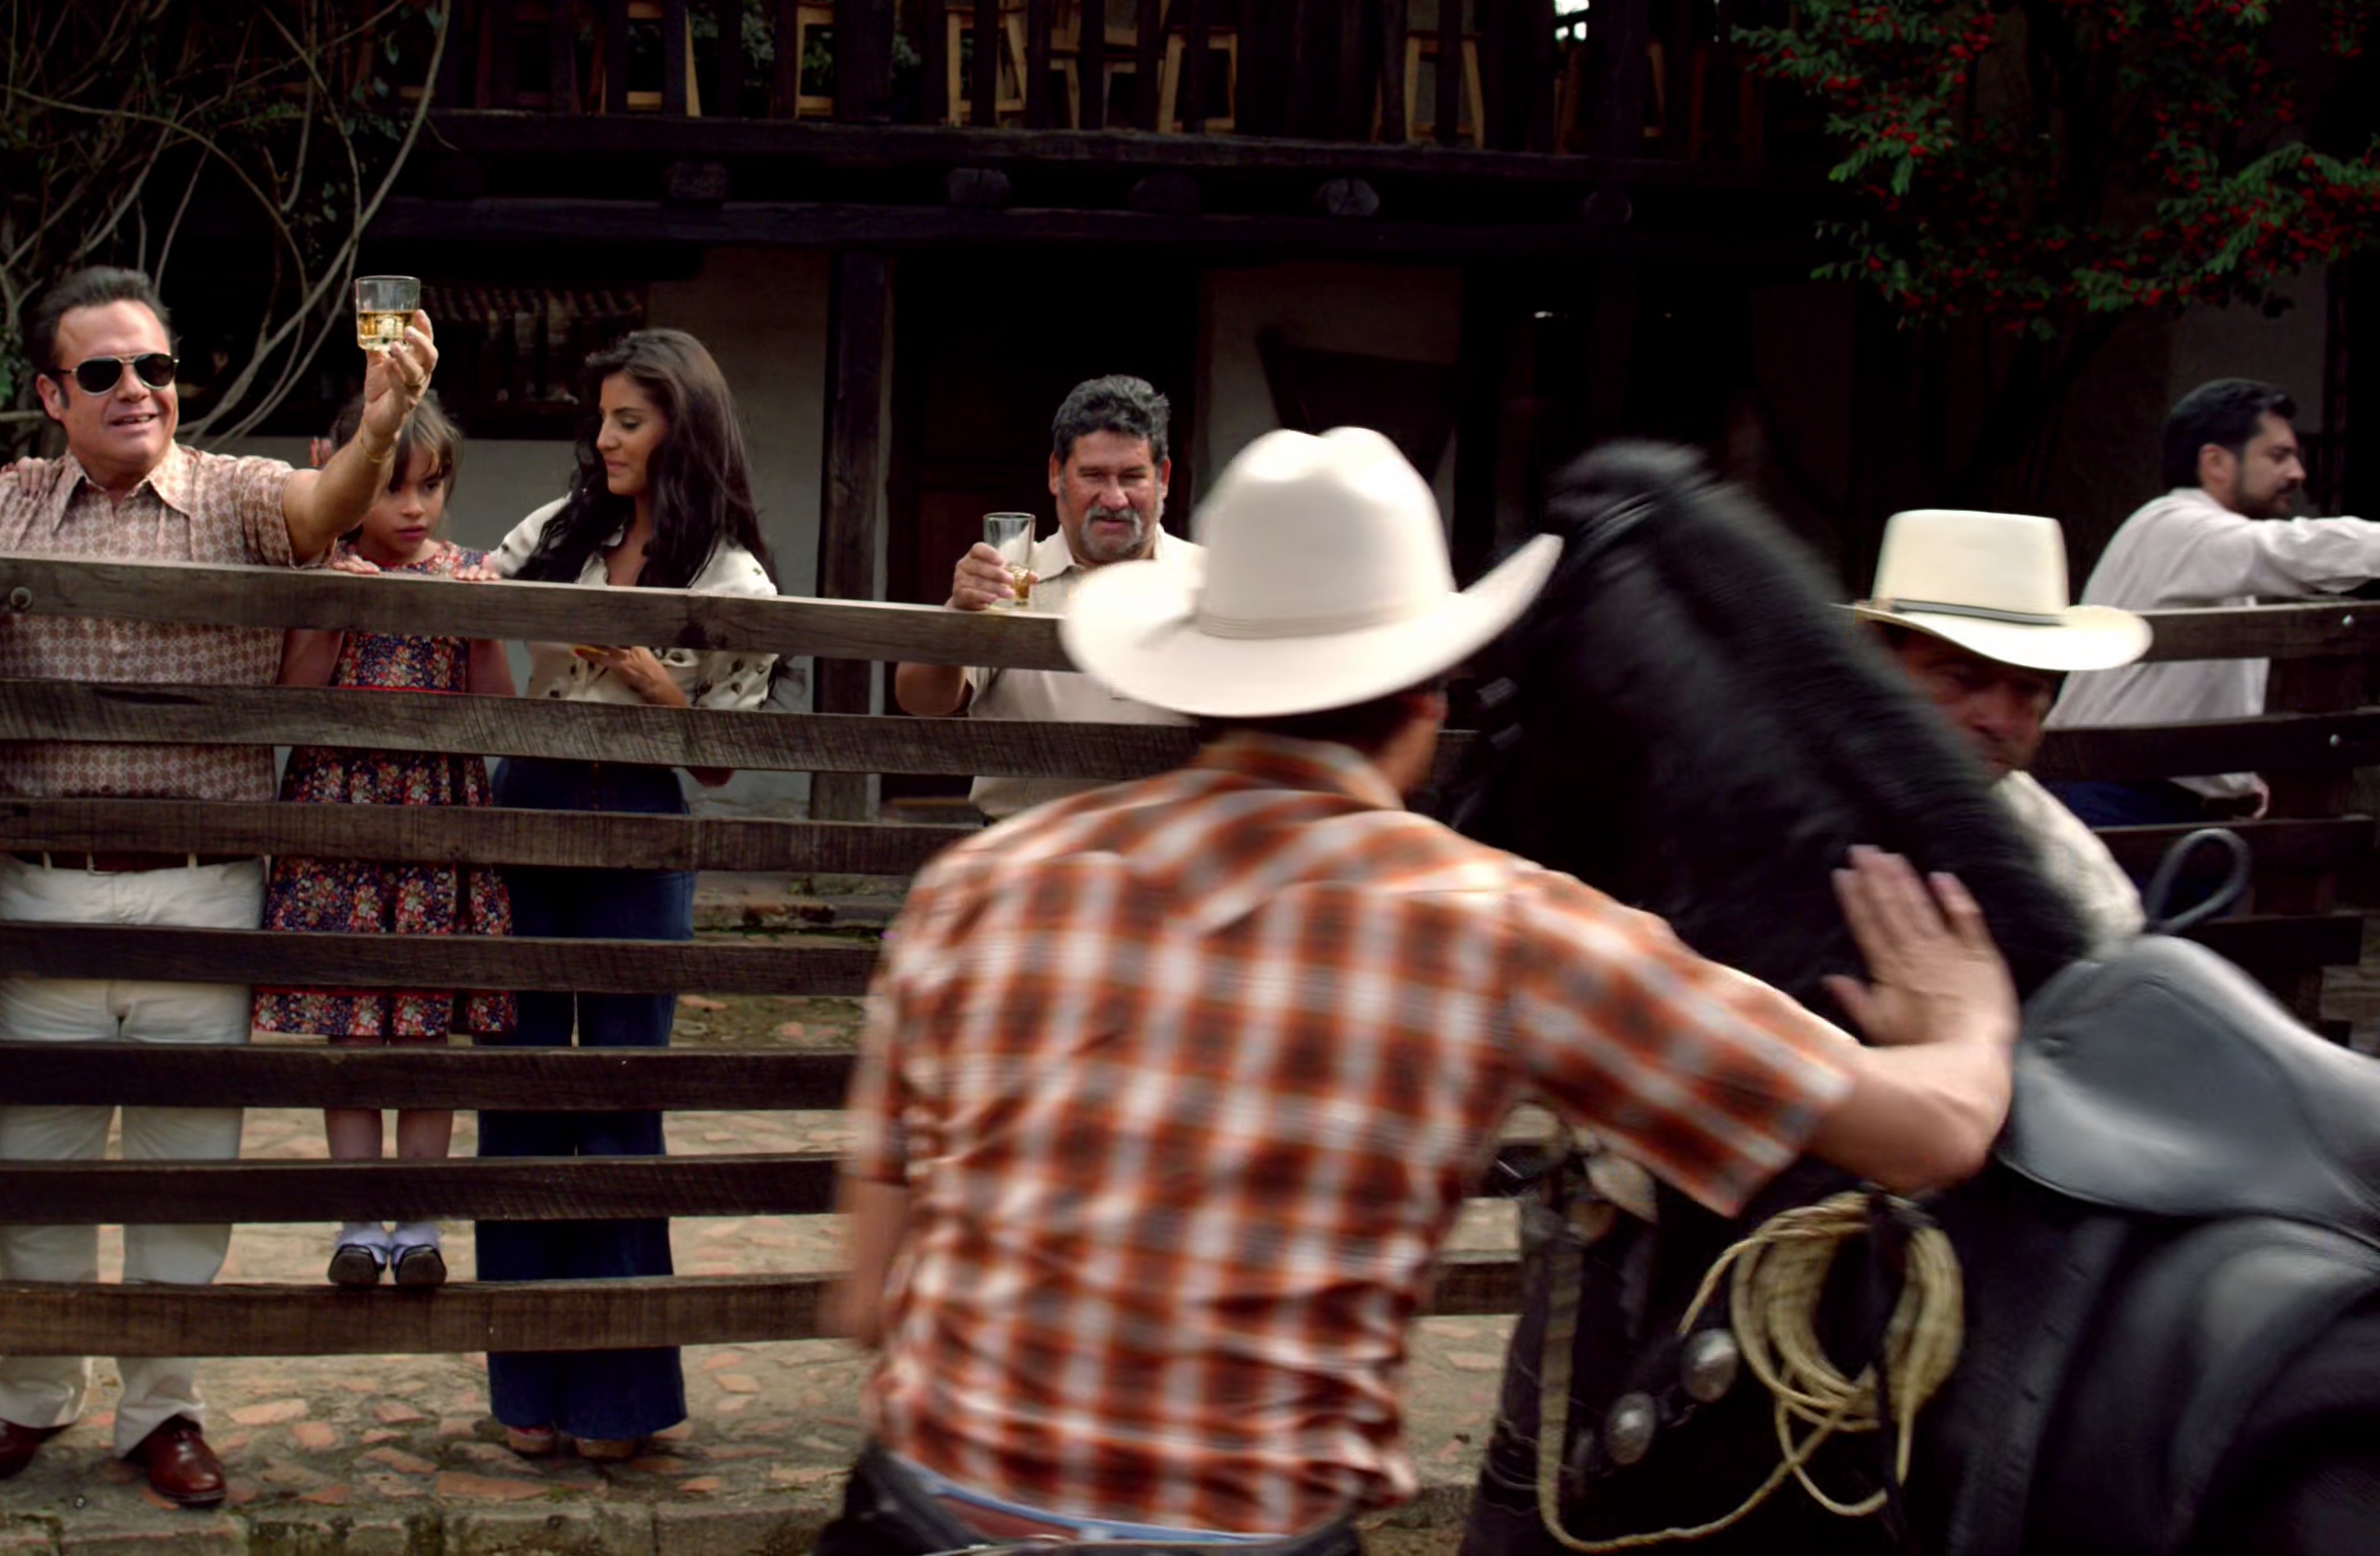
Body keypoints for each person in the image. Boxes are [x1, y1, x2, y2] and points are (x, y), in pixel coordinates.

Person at [818, 427, 2021, 1553]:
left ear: (1194, 678)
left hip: (920, 1520)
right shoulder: (1503, 929)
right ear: (1430, 689)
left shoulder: (977, 888)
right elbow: (1930, 1130)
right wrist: (1969, 1018)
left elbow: (870, 1297)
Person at [0, 265, 438, 1508]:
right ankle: (32, 1395)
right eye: (103, 372)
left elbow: (328, 506)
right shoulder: (3, 502)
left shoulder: (238, 495)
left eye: (155, 367)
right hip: (46, 895)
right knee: (37, 1169)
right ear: (52, 395)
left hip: (205, 892)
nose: (137, 389)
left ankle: (163, 1410)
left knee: (189, 1172)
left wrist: (385, 419)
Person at [478, 328, 778, 1463]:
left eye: (628, 421)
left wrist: (657, 683)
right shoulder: (562, 531)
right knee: (518, 1093)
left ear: (680, 430)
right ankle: (525, 1387)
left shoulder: (731, 577)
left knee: (618, 1098)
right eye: (600, 419)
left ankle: (618, 1399)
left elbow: (723, 763)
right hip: (531, 798)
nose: (603, 439)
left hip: (642, 820)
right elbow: (473, 600)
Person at [252, 392, 515, 1292]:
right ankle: (362, 1222)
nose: (413, 508)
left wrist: (479, 630)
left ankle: (422, 1220)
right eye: (392, 487)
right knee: (354, 1029)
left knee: (427, 1032)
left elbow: (497, 714)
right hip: (345, 824)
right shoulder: (327, 571)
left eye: (430, 487)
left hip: (439, 825)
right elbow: (295, 697)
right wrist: (336, 609)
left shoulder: (467, 575)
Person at [2050, 378, 2380, 826]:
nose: (2297, 473)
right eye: (2278, 456)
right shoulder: (2177, 527)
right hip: (2116, 796)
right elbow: (2297, 549)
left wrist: (2235, 783)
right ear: (2216, 462)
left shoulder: (2212, 544)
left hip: (2153, 799)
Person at [890, 376, 1197, 819]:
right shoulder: (1008, 578)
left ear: (1162, 478)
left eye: (1132, 477)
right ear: (1057, 475)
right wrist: (957, 614)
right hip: (1029, 844)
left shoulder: (1208, 579)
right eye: (1093, 475)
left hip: (1171, 848)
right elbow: (921, 700)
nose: (1114, 498)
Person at [1849, 508, 2150, 951]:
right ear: (1876, 666)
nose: (2000, 721)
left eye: (2028, 689)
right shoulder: (1779, 795)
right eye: (1961, 679)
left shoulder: (2074, 877)